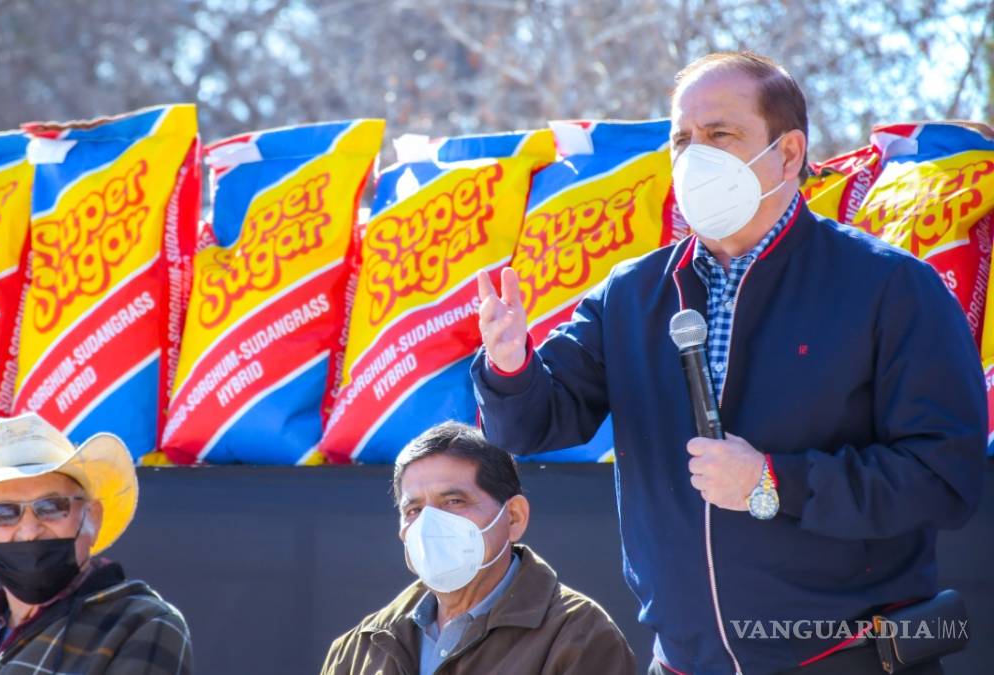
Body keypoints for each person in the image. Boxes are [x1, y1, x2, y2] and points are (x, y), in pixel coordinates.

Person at [472, 51, 985, 675]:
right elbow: (530, 427)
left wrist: (774, 482)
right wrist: (509, 367)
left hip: (846, 659)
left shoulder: (890, 287)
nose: (696, 157)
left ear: (789, 154)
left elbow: (946, 480)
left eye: (721, 134)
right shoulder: (631, 294)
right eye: (682, 140)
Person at [321, 421, 635, 675]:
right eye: (414, 510)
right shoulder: (358, 650)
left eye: (454, 502)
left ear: (513, 517)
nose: (431, 525)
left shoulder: (577, 637)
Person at [0, 412, 194, 674]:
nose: (29, 530)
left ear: (92, 517)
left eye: (51, 507)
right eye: (4, 513)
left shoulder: (140, 625)